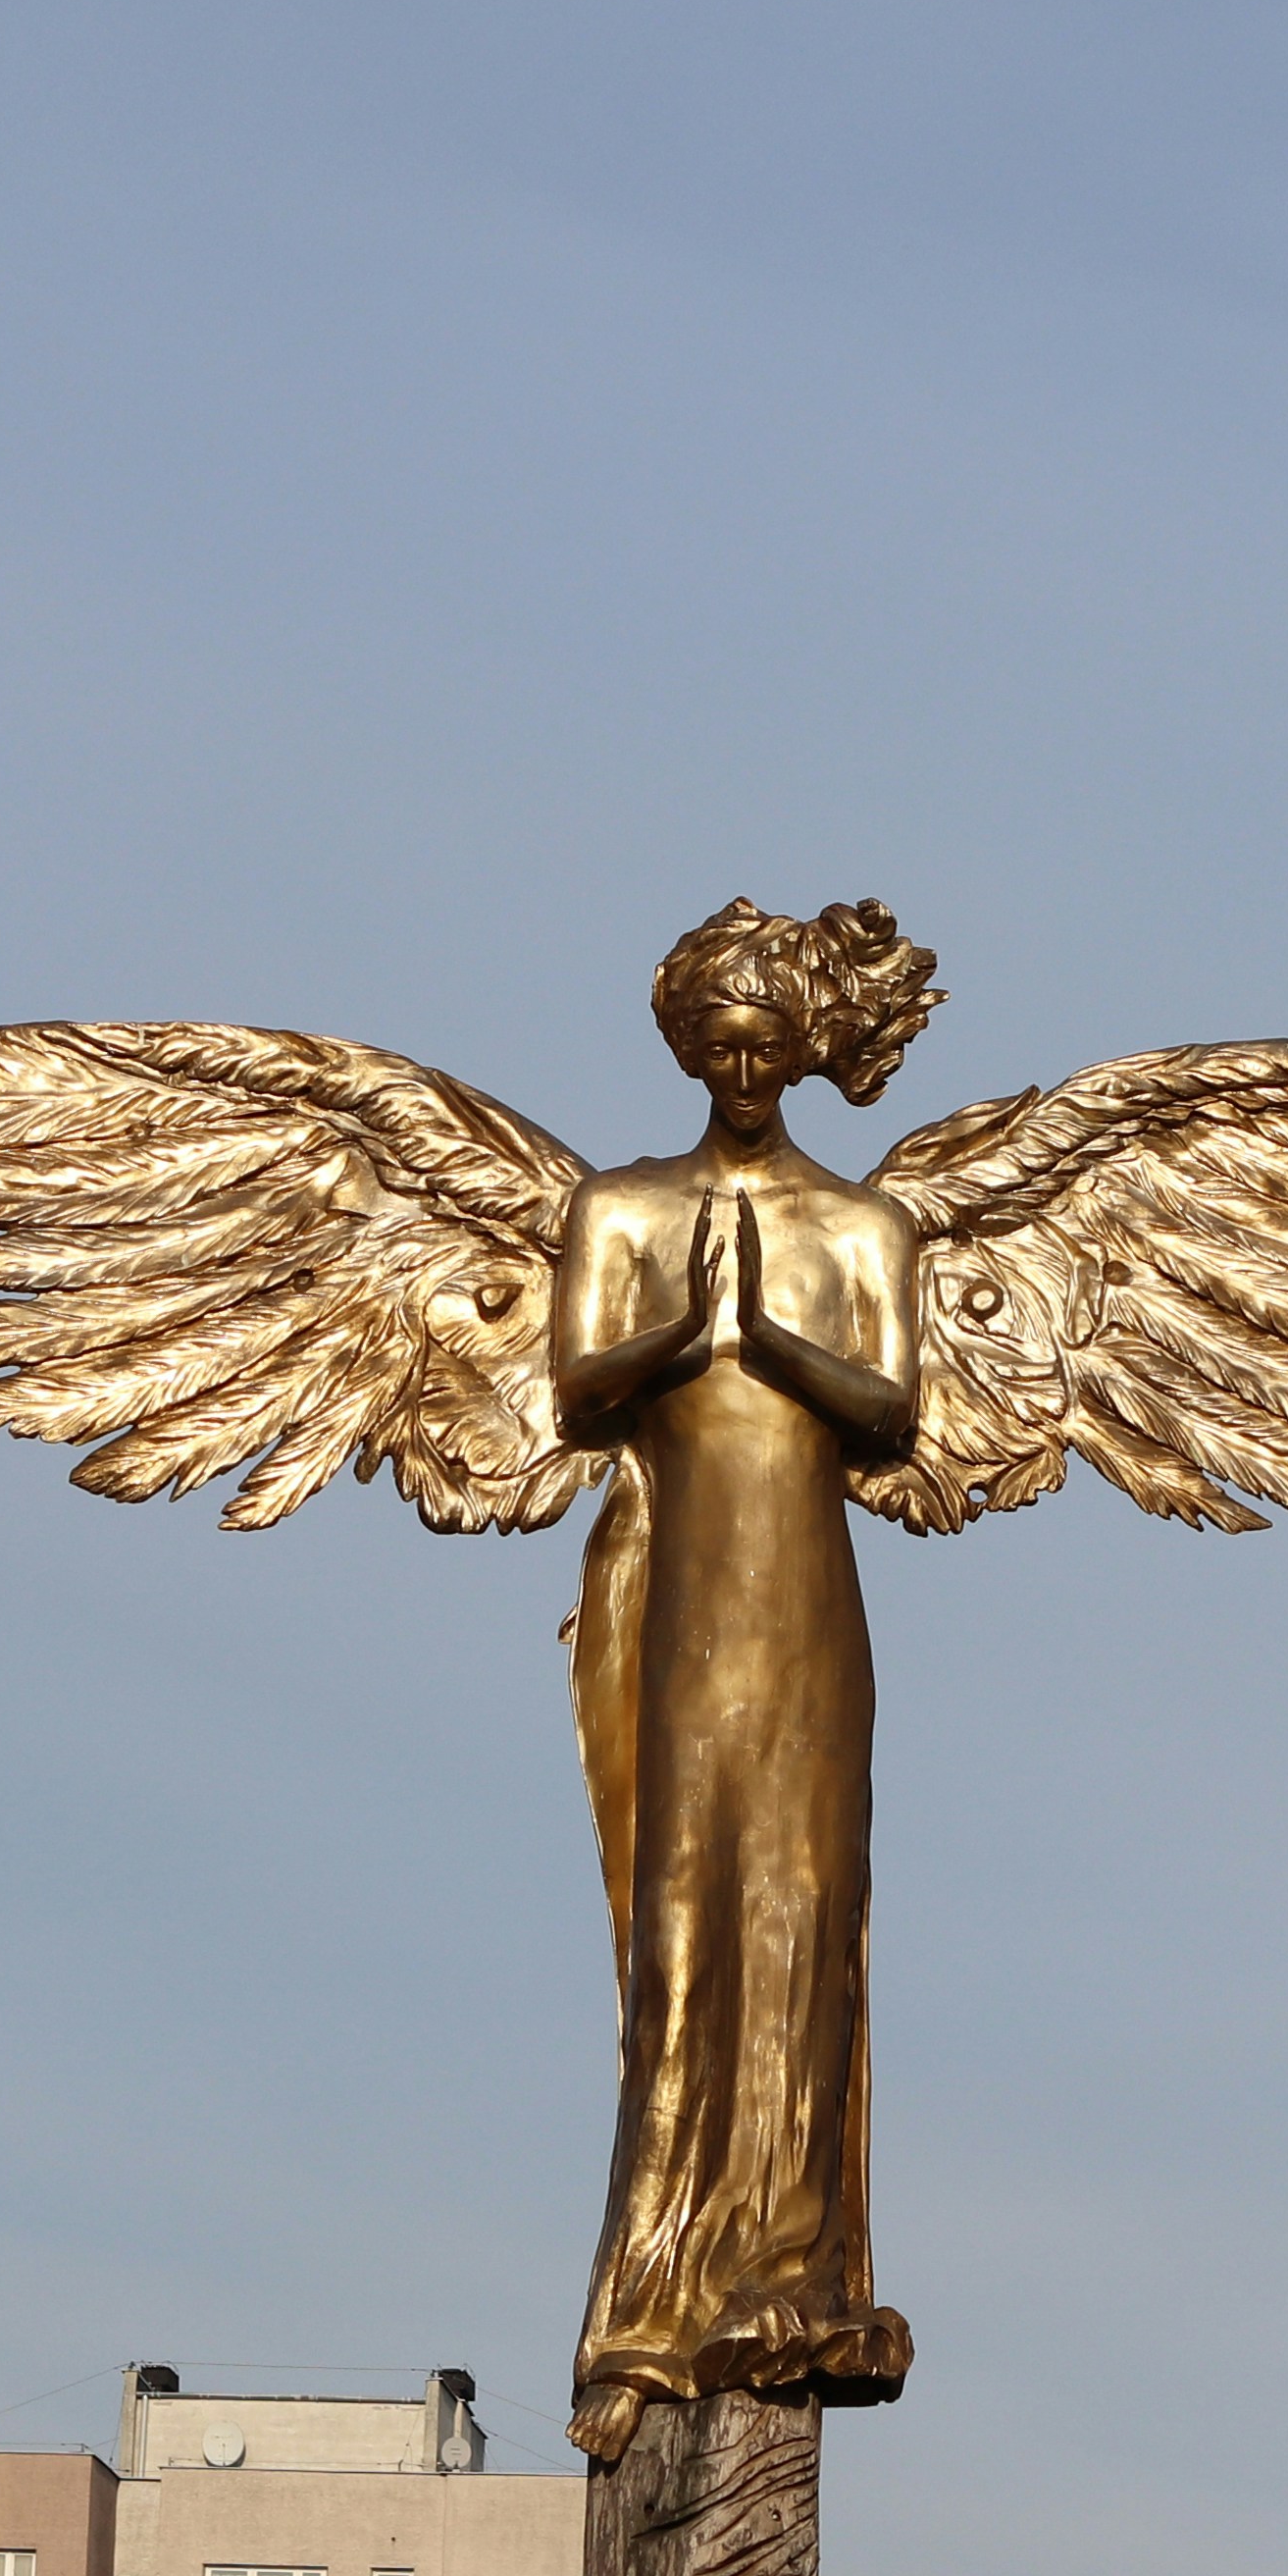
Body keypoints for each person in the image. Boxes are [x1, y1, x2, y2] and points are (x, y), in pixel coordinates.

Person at [547, 900, 940, 2463]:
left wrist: (772, 1339)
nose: (741, 1073)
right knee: (682, 1929)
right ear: (683, 1048)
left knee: (802, 1918)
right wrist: (674, 1334)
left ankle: (792, 2271)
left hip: (808, 1616)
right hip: (675, 1605)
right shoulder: (621, 1209)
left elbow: (889, 1407)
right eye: (716, 1047)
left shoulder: (861, 1228)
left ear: (803, 1050)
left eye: (765, 1047)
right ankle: (647, 2306)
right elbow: (576, 1389)